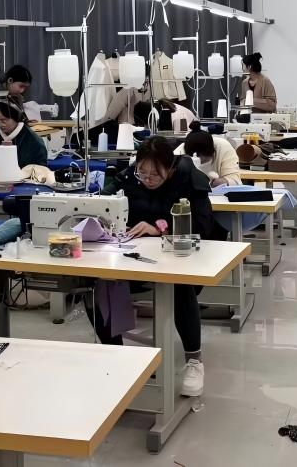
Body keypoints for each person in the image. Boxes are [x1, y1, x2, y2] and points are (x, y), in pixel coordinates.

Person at [100, 136, 225, 396]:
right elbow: (104, 203)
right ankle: (116, 356)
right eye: (142, 172)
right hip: (135, 256)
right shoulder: (130, 178)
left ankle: (194, 360)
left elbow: (202, 228)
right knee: (98, 284)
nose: (147, 179)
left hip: (181, 255)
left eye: (155, 174)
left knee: (179, 283)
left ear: (170, 168)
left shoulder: (190, 181)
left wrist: (159, 229)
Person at [174, 122, 243, 187]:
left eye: (205, 161)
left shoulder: (224, 148)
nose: (201, 164)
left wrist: (221, 182)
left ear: (213, 151)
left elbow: (235, 180)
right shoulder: (179, 154)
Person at [0, 100, 47, 168]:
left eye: (4, 120)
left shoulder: (33, 141)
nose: (0, 124)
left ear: (16, 117)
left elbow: (40, 169)